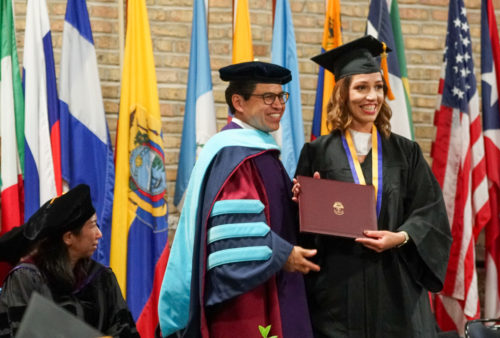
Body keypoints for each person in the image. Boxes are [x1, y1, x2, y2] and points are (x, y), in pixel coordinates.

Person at [293, 35, 452, 337]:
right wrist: (302, 200)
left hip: (397, 292)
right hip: (338, 296)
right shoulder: (317, 153)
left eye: (378, 87)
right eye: (361, 88)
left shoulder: (406, 153)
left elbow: (430, 212)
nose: (372, 97)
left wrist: (401, 237)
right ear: (343, 94)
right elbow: (303, 231)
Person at [158, 61, 319, 338]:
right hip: (246, 300)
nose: (278, 105)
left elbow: (266, 215)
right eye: (268, 97)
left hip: (267, 284)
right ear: (238, 102)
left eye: (282, 96)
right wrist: (282, 254)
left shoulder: (259, 150)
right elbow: (233, 236)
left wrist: (299, 202)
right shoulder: (236, 154)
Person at [0, 184, 139, 338]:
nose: (99, 234)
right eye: (92, 226)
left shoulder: (102, 278)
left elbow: (125, 331)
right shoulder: (26, 279)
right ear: (68, 237)